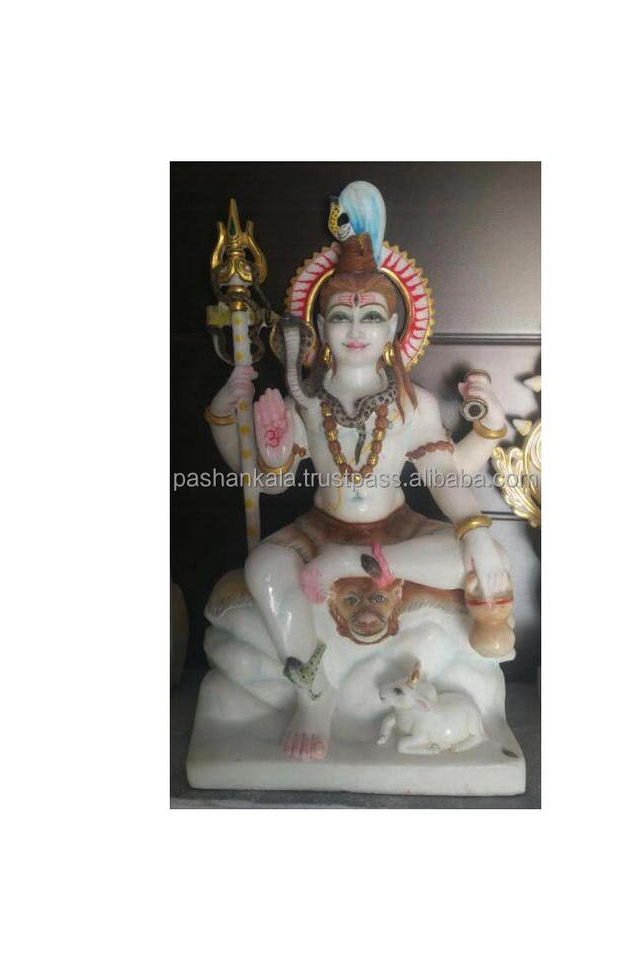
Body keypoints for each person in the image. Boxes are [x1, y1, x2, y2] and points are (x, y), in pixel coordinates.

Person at [205, 184, 512, 761]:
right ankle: (313, 694)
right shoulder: (307, 399)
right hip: (324, 526)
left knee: (478, 552)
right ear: (319, 329)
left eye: (371, 316)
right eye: (340, 316)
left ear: (394, 329)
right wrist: (235, 421)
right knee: (264, 566)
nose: (356, 330)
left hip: (396, 528)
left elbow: (445, 477)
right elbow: (266, 482)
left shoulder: (413, 404)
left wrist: (474, 530)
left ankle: (354, 563)